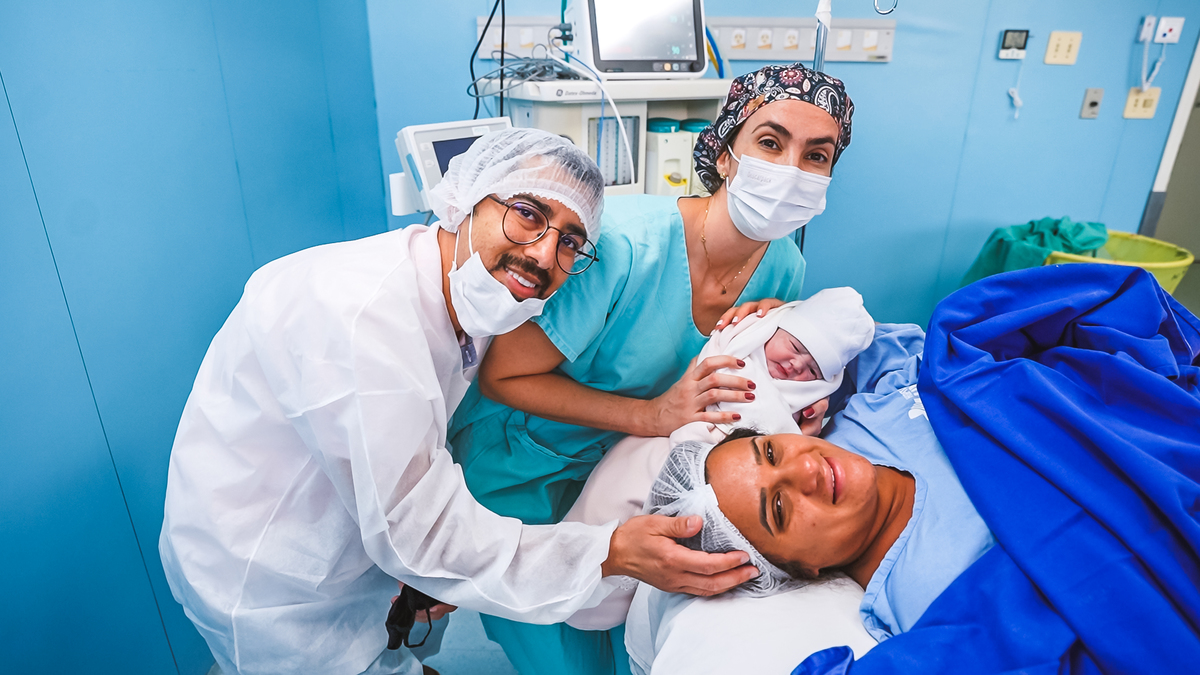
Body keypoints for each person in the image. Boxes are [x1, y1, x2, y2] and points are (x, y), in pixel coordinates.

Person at [157, 128, 757, 675]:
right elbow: (422, 536)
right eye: (528, 214)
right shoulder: (365, 317)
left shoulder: (462, 300)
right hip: (278, 587)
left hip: (350, 545)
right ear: (464, 200)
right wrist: (610, 552)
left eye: (571, 242)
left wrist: (776, 329)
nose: (544, 254)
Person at [447, 62, 855, 675]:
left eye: (816, 156)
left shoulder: (784, 267)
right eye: (770, 143)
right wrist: (654, 415)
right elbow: (504, 377)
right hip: (525, 470)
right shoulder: (623, 246)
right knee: (564, 656)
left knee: (630, 646)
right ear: (725, 153)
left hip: (639, 474)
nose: (791, 169)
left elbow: (745, 377)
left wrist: (793, 391)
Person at [647, 320, 994, 642]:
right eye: (779, 507)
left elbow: (879, 336)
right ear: (794, 569)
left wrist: (789, 328)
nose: (806, 468)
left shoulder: (856, 417)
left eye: (771, 453)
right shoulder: (929, 604)